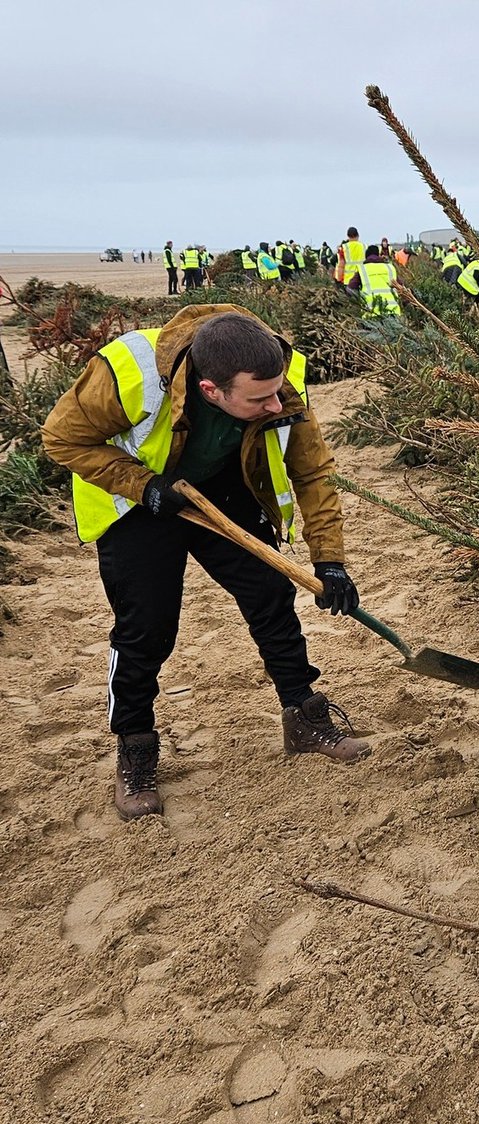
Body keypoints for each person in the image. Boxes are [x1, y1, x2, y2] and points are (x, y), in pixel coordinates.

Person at [41, 307, 371, 821]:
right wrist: (143, 486)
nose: (275, 404)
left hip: (226, 488)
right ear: (211, 390)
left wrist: (329, 562)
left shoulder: (278, 376)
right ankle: (135, 747)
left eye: (277, 392)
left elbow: (313, 474)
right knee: (146, 630)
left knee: (271, 598)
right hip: (139, 501)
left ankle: (305, 718)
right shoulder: (128, 371)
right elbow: (61, 438)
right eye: (258, 399)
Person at [346, 244, 401, 316]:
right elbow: (402, 288)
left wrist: (360, 299)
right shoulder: (390, 267)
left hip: (371, 313)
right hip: (393, 311)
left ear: (366, 256)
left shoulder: (363, 269)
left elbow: (350, 289)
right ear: (378, 255)